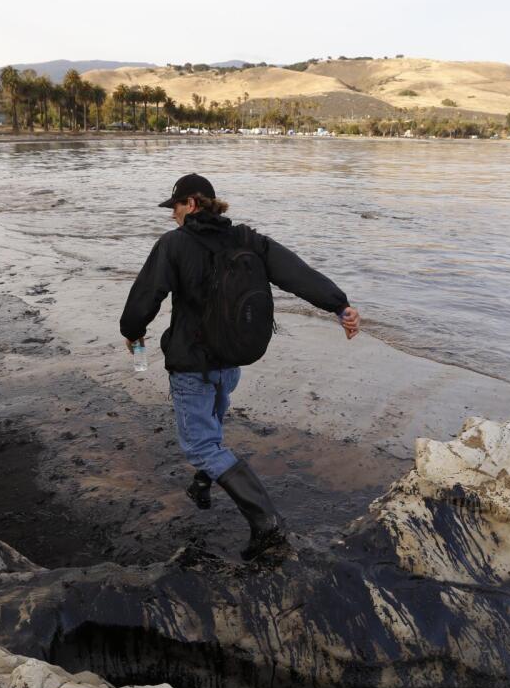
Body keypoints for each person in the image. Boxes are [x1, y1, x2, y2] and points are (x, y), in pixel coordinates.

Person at [119, 173, 360, 560]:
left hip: (192, 365)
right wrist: (339, 305)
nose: (172, 215)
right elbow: (296, 273)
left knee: (199, 444)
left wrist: (131, 331)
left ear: (192, 204)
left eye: (176, 206)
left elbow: (147, 294)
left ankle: (266, 522)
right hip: (230, 362)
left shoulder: (174, 245)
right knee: (212, 423)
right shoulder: (249, 240)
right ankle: (203, 481)